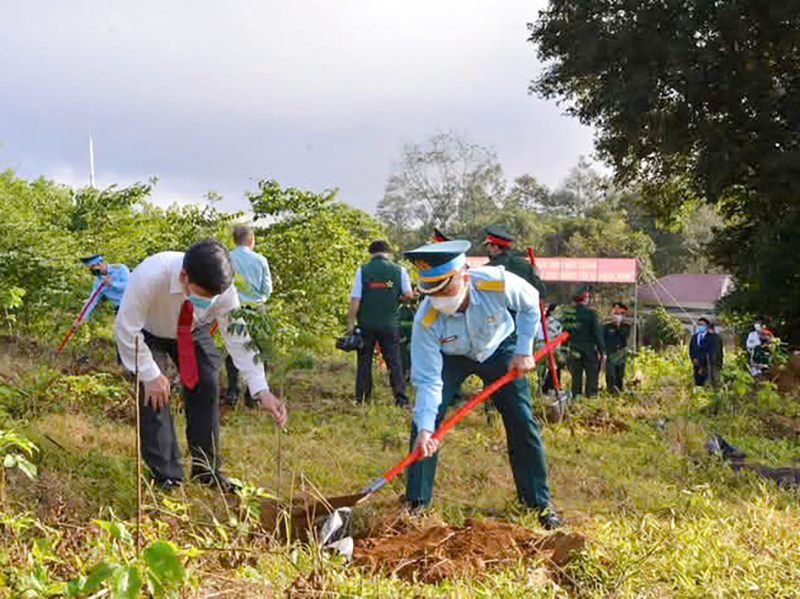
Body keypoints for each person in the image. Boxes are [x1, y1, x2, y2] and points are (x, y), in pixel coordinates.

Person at [403, 239, 561, 529]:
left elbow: (530, 303)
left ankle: (538, 504)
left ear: (464, 275)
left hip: (498, 348)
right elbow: (428, 381)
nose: (438, 299)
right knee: (425, 423)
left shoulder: (495, 282)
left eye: (444, 289)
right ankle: (415, 505)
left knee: (521, 420)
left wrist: (524, 350)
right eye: (430, 292)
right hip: (450, 357)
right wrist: (426, 429)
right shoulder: (425, 319)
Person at [114, 239, 287, 491]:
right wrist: (151, 375)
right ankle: (167, 476)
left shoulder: (223, 288)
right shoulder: (150, 275)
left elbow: (238, 339)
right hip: (148, 332)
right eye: (201, 295)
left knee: (206, 384)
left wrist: (261, 390)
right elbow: (126, 328)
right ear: (184, 276)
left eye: (212, 297)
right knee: (155, 395)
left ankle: (207, 471)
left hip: (190, 331)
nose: (206, 301)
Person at [346, 240, 413, 406]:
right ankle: (400, 399)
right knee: (395, 362)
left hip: (366, 325)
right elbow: (409, 295)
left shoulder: (362, 271)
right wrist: (396, 298)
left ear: (371, 253)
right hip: (390, 324)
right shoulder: (399, 270)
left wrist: (350, 324)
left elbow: (355, 299)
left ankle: (362, 399)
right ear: (387, 253)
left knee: (364, 362)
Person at [224, 225, 273, 407]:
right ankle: (254, 395)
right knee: (260, 350)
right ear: (251, 240)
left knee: (234, 347)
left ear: (234, 240)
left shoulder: (227, 258)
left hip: (232, 308)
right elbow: (267, 289)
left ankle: (232, 391)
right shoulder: (260, 260)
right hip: (256, 309)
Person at [563, 285, 604, 397]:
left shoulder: (569, 314)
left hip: (574, 348)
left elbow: (565, 333)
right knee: (592, 374)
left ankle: (576, 396)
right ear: (585, 298)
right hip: (589, 348)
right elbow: (597, 333)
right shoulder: (591, 313)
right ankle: (591, 396)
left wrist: (564, 349)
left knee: (576, 375)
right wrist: (602, 350)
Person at [484, 224, 546, 296]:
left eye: (487, 246)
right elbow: (541, 292)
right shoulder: (525, 265)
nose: (487, 249)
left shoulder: (486, 270)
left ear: (495, 247)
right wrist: (536, 276)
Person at [80, 254, 130, 319]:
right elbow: (91, 301)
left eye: (93, 267)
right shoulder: (98, 282)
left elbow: (128, 286)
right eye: (90, 269)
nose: (92, 270)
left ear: (101, 263)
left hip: (134, 303)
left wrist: (112, 284)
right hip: (120, 308)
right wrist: (81, 319)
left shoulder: (120, 269)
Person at [603, 303, 632, 394]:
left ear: (624, 315)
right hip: (610, 353)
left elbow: (624, 336)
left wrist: (618, 325)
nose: (618, 316)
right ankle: (610, 391)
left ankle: (619, 392)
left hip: (621, 353)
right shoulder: (606, 326)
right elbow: (603, 340)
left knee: (620, 374)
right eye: (616, 314)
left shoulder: (627, 326)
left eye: (620, 314)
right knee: (611, 374)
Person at [689, 317, 716, 386]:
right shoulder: (694, 337)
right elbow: (691, 349)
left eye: (702, 325)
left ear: (706, 326)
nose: (700, 326)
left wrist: (702, 360)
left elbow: (711, 351)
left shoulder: (711, 337)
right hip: (696, 365)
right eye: (699, 325)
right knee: (697, 383)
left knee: (706, 384)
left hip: (707, 365)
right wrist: (693, 359)